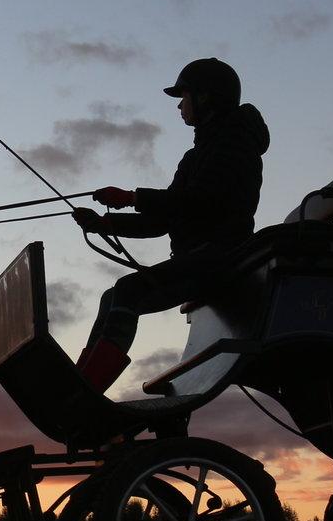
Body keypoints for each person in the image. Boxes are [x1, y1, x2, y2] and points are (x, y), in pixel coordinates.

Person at [71, 57, 268, 392]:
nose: (179, 106)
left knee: (127, 291)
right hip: (200, 261)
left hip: (219, 260)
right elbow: (162, 221)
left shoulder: (235, 145)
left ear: (205, 98)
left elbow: (199, 202)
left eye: (183, 96)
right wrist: (104, 223)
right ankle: (80, 384)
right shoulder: (198, 155)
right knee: (114, 295)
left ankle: (86, 391)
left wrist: (133, 197)